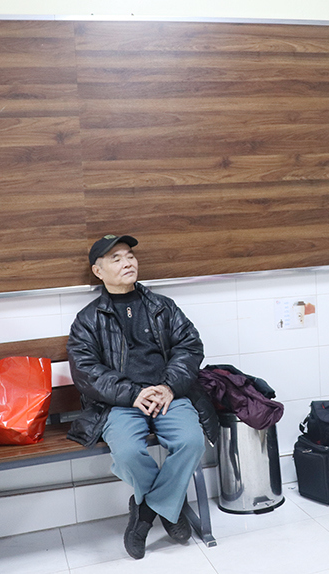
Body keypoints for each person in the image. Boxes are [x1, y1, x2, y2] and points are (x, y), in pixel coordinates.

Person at [67, 234, 218, 560]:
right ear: (98, 271)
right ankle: (171, 509)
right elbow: (85, 371)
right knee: (128, 452)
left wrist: (168, 387)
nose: (128, 262)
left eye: (130, 256)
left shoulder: (162, 307)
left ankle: (145, 514)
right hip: (120, 402)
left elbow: (190, 347)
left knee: (192, 442)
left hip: (169, 395)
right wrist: (133, 393)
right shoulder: (88, 320)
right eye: (116, 259)